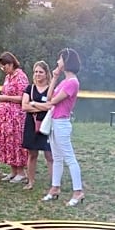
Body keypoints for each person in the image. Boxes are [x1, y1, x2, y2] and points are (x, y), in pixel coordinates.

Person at [42, 47, 84, 206]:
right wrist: (54, 77)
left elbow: (52, 101)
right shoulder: (64, 81)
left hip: (62, 124)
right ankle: (55, 188)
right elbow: (48, 96)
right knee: (57, 158)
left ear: (66, 61)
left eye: (59, 59)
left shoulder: (72, 82)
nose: (57, 62)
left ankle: (78, 191)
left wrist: (45, 102)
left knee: (69, 158)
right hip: (55, 123)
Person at [0, 51, 29, 183]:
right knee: (7, 142)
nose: (3, 69)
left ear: (11, 63)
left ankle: (21, 171)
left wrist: (4, 98)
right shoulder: (8, 77)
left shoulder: (20, 76)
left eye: (5, 66)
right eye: (1, 67)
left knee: (16, 142)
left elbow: (22, 97)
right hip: (5, 117)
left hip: (16, 116)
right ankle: (13, 170)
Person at [20, 60, 54, 191]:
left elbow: (51, 106)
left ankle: (53, 182)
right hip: (31, 124)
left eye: (41, 72)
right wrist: (41, 107)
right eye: (36, 72)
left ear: (46, 74)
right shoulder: (30, 88)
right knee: (32, 154)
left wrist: (33, 104)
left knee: (49, 155)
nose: (38, 74)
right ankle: (31, 181)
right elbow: (24, 106)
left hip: (47, 125)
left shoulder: (51, 89)